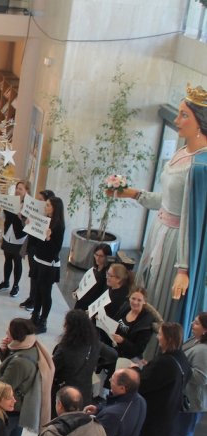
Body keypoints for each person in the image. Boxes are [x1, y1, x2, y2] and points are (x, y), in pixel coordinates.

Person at [108, 84, 207, 324]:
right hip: (159, 230)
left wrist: (183, 269)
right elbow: (168, 201)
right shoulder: (182, 153)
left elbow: (192, 220)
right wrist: (133, 194)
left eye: (184, 115)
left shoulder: (201, 167)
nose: (177, 119)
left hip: (177, 242)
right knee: (146, 289)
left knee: (161, 303)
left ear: (200, 122)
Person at [121, 322, 191, 436]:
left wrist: (137, 370)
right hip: (170, 411)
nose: (158, 337)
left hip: (155, 412)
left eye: (160, 334)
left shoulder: (165, 362)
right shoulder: (181, 357)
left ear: (167, 338)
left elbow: (145, 383)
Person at [167, 312, 207, 436]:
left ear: (205, 330)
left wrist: (181, 368)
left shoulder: (203, 350)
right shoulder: (194, 341)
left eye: (196, 323)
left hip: (192, 400)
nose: (192, 324)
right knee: (180, 428)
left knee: (185, 430)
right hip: (184, 394)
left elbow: (201, 378)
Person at [97, 288, 158, 391]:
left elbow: (138, 349)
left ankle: (106, 392)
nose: (135, 302)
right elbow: (114, 323)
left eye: (139, 300)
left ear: (144, 302)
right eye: (133, 298)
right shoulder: (125, 307)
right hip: (114, 347)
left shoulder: (146, 324)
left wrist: (123, 341)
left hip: (127, 356)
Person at [51, 309, 100, 416]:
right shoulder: (95, 344)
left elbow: (51, 369)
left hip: (65, 394)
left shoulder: (65, 349)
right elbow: (113, 355)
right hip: (84, 395)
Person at [29, 196, 66, 333]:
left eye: (48, 205)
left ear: (55, 208)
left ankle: (43, 321)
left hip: (49, 264)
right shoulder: (45, 220)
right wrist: (30, 226)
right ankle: (35, 316)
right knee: (37, 291)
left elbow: (56, 249)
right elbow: (36, 239)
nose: (46, 207)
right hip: (39, 260)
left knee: (45, 294)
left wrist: (49, 238)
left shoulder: (59, 225)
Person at [18, 189, 55, 311]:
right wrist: (27, 221)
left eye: (41, 200)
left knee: (37, 277)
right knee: (33, 274)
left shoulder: (51, 219)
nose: (38, 202)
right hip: (32, 245)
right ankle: (31, 297)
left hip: (41, 251)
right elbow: (28, 228)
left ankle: (35, 301)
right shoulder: (36, 214)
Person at [0, 181, 28, 297]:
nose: (18, 190)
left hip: (19, 238)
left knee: (17, 261)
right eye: (17, 188)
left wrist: (22, 217)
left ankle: (16, 285)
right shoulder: (11, 201)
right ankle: (6, 282)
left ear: (26, 191)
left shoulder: (28, 205)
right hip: (8, 235)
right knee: (7, 259)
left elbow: (29, 225)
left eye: (21, 189)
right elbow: (3, 216)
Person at [74, 244, 113, 310]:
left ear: (107, 257)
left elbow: (103, 294)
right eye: (96, 255)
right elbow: (84, 283)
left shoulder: (106, 275)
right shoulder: (93, 269)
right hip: (81, 302)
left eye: (101, 256)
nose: (97, 258)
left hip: (89, 306)